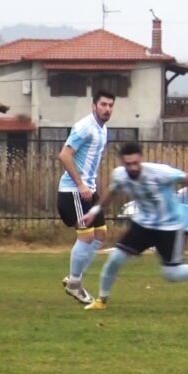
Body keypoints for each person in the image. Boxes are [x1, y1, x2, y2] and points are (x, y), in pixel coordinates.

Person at [81, 142, 188, 310]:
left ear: (141, 159)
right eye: (128, 164)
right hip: (143, 225)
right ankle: (101, 301)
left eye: (135, 163)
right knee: (115, 258)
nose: (132, 167)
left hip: (169, 226)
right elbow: (111, 192)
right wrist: (94, 211)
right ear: (122, 162)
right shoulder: (119, 175)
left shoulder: (159, 172)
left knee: (171, 275)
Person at [56, 90, 115, 304]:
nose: (107, 109)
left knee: (100, 234)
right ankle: (74, 284)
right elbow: (64, 154)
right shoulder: (85, 127)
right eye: (103, 104)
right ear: (94, 106)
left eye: (110, 105)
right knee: (87, 237)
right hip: (73, 191)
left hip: (88, 190)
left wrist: (89, 185)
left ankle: (74, 278)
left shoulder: (103, 129)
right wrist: (80, 184)